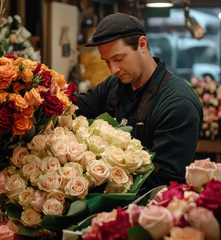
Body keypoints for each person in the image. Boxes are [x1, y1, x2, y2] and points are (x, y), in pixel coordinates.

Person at [75, 13, 203, 189]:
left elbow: (164, 181)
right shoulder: (114, 86)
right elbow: (76, 106)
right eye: (107, 62)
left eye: (118, 59)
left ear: (142, 44)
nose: (113, 70)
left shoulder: (177, 104)